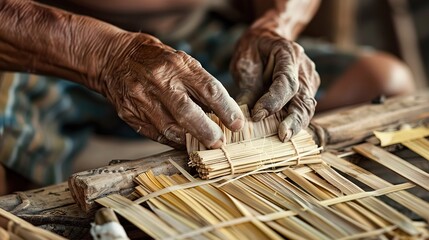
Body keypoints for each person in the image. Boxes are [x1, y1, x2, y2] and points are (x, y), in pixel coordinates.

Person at [0, 0, 414, 193]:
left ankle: (168, 157)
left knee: (383, 83)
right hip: (50, 44)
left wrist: (277, 25)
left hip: (199, 37)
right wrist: (106, 53)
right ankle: (87, 162)